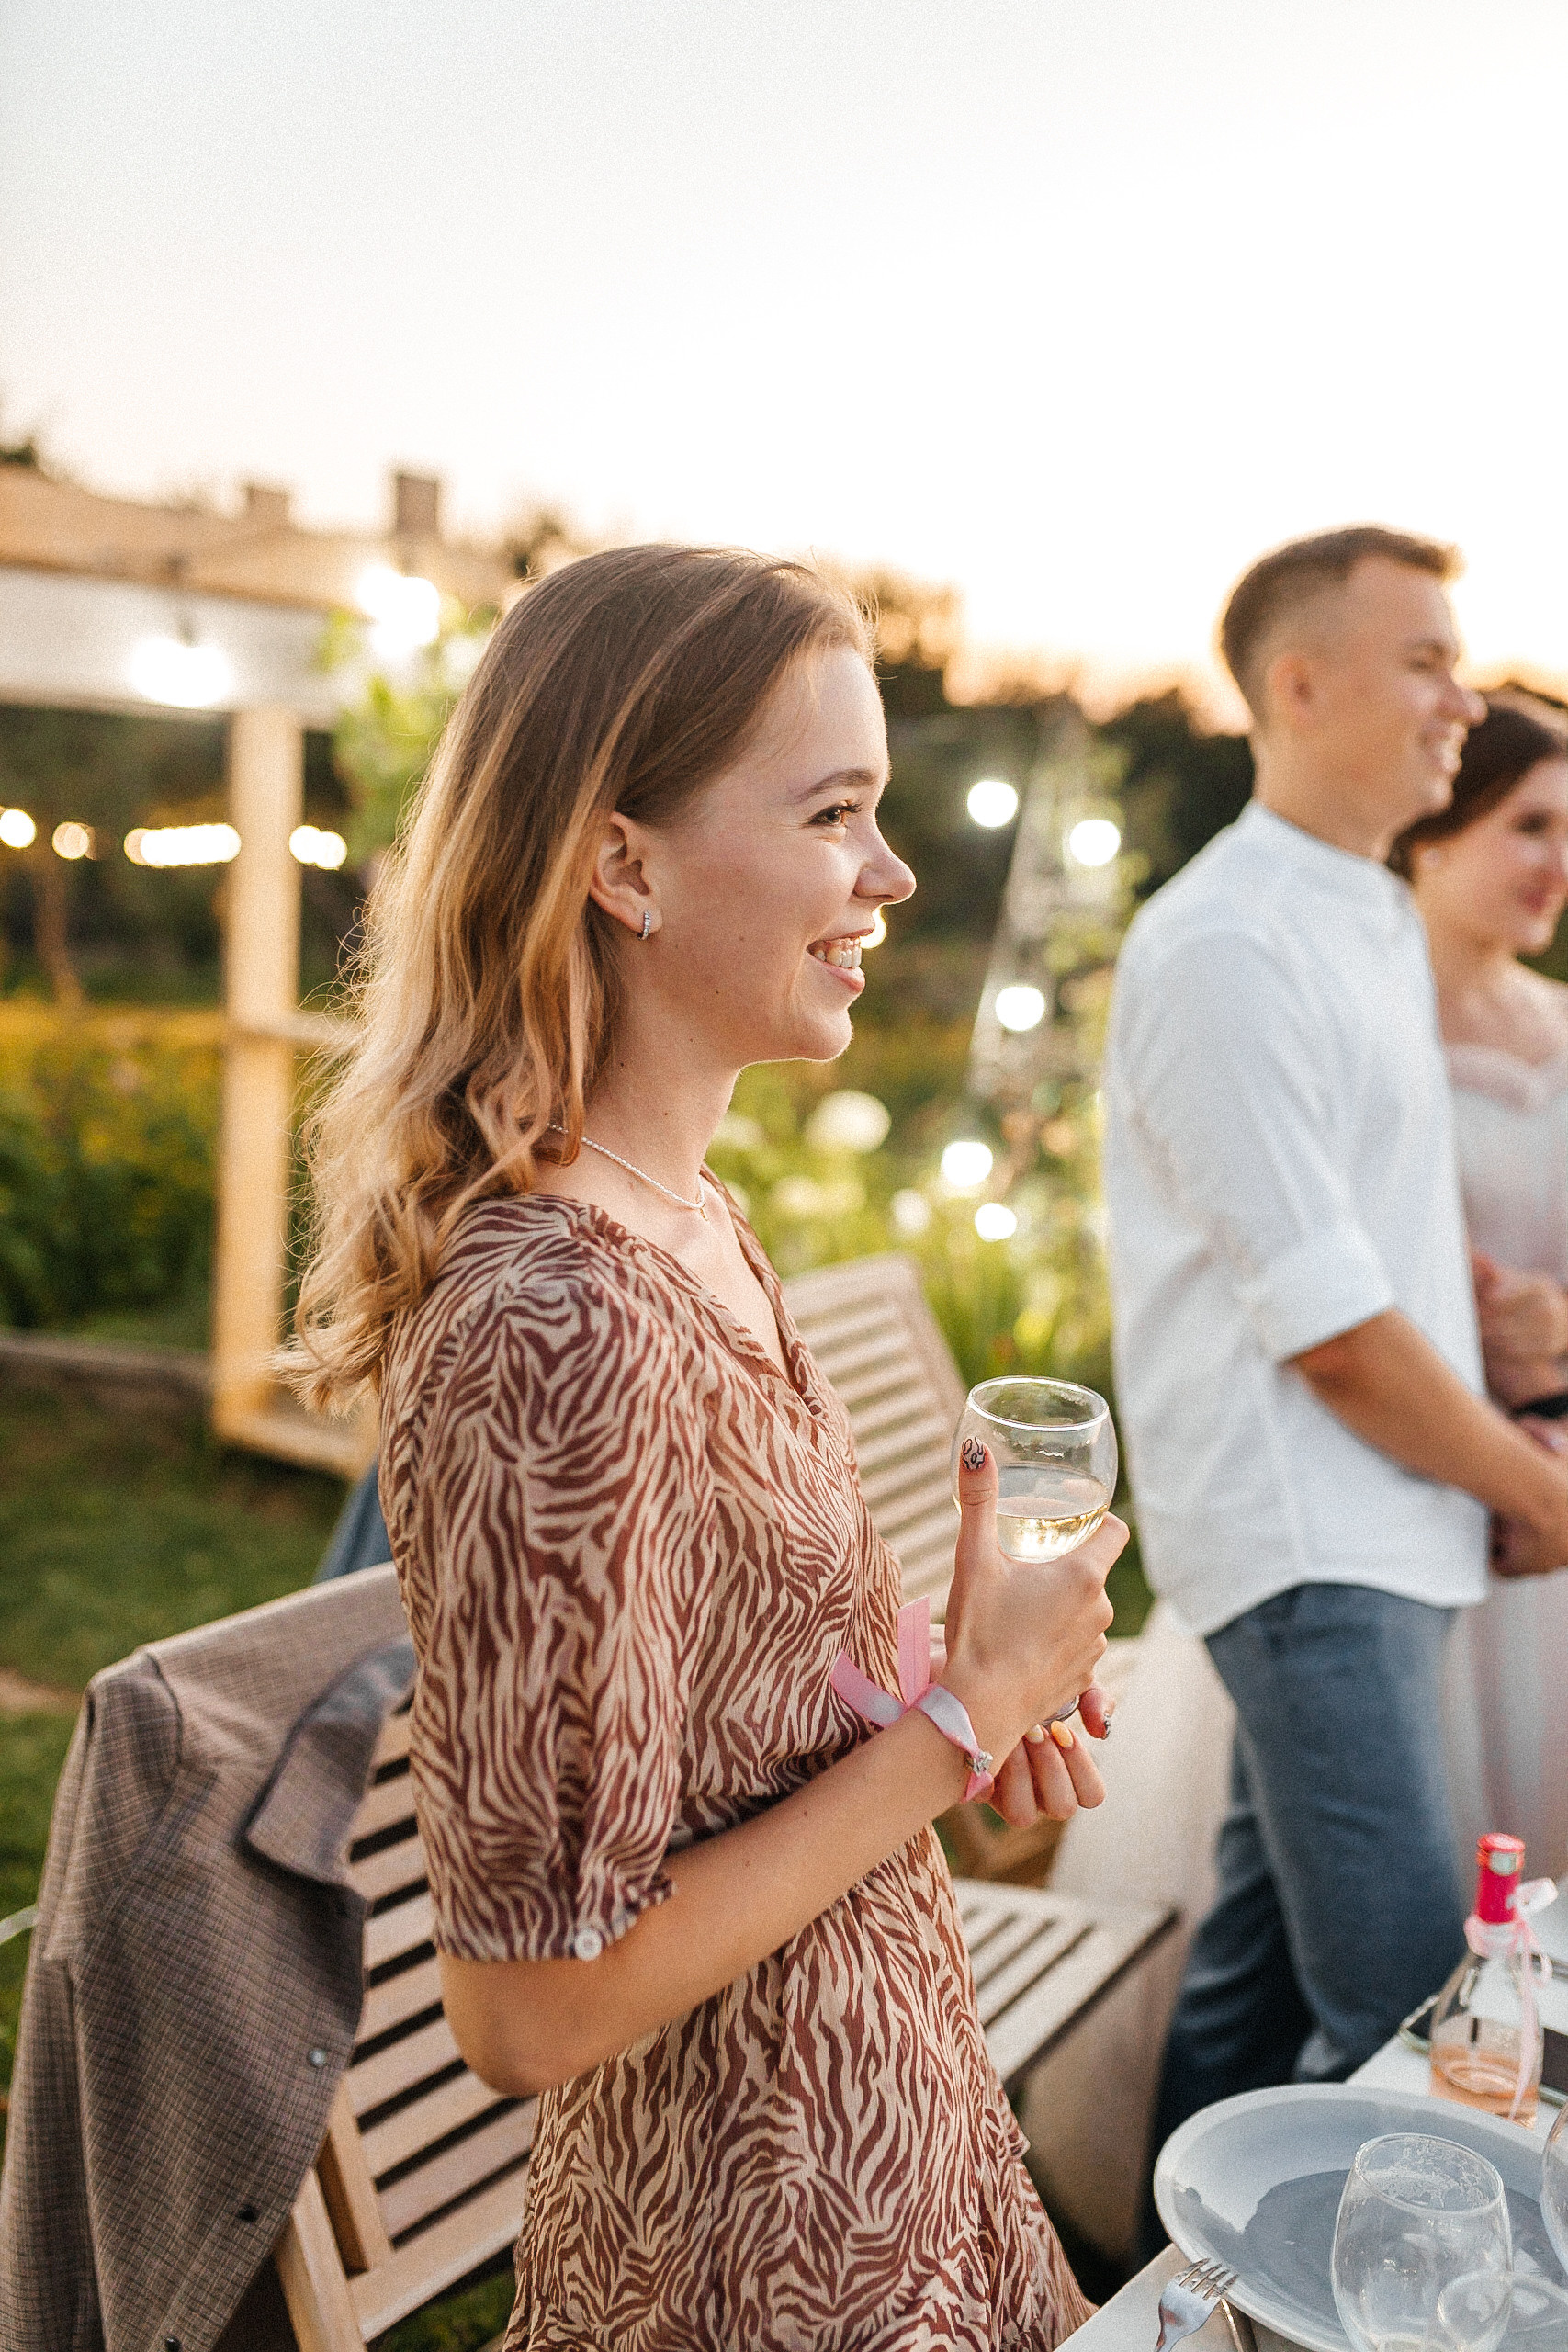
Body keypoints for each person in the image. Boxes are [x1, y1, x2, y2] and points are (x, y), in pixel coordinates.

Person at [292, 544, 1122, 2350]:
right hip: (755, 2249)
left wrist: (957, 1689)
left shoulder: (694, 1221)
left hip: (892, 2142)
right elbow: (528, 2008)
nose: (888, 875)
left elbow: (727, 1742)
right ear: (622, 861)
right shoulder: (552, 1318)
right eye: (833, 812)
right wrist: (952, 1722)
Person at [1101, 526, 1568, 2176]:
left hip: (1388, 1527)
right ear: (1300, 686)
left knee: (1242, 1986)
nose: (1468, 694)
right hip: (1312, 1543)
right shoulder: (1227, 945)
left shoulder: (1363, 913)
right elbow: (1331, 1334)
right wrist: (1536, 1486)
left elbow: (1379, 1247)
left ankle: (1146, 2292)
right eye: (1427, 659)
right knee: (1399, 2019)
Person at [1392, 695, 1568, 1880]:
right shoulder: (1369, 1025)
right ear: (1434, 828)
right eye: (1532, 824)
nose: (1560, 865)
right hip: (1417, 1491)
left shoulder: (1560, 1023)